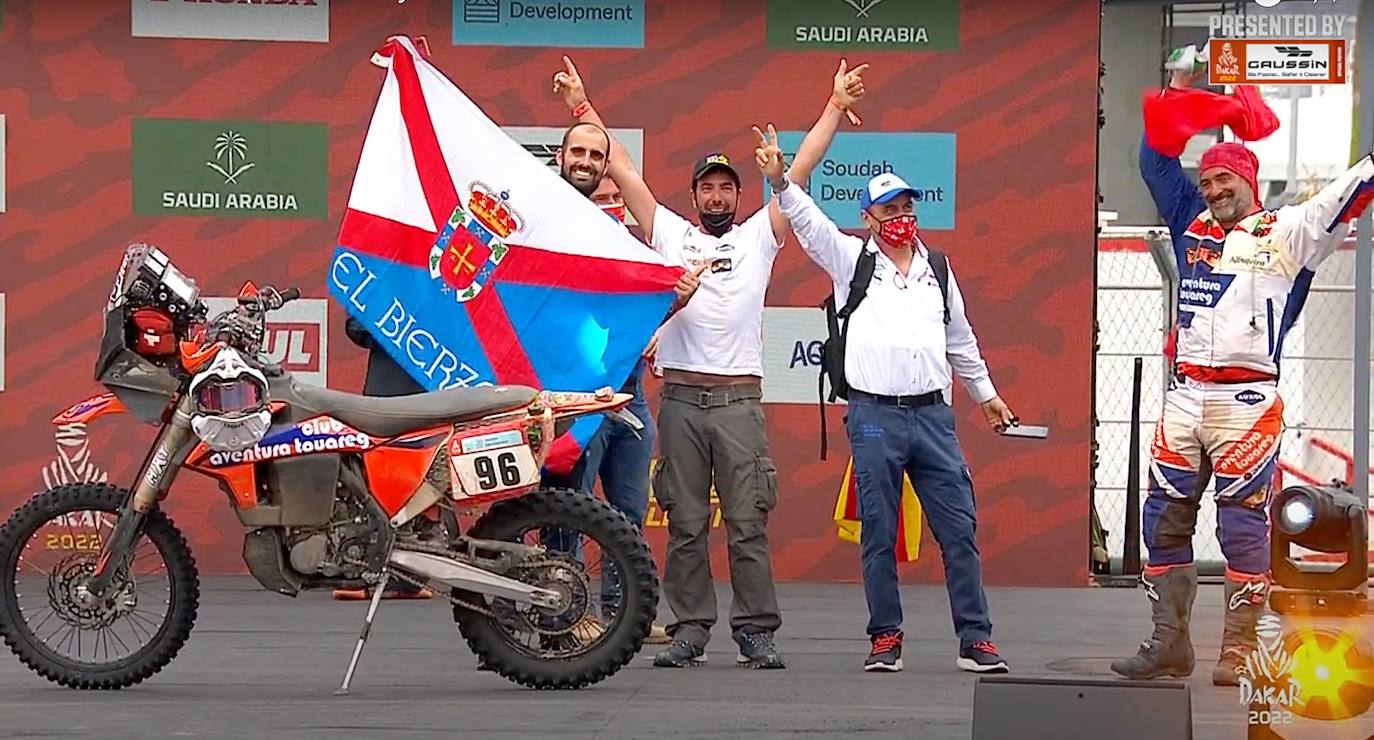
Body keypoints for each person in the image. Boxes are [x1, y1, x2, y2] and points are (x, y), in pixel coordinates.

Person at [552, 54, 870, 669]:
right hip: (680, 402)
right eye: (707, 187)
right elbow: (617, 163)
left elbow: (797, 173)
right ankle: (691, 628)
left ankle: (756, 631)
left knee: (748, 522)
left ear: (738, 195)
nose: (717, 194)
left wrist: (832, 104)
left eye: (727, 186)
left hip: (738, 403)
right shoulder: (670, 232)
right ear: (695, 195)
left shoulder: (761, 234)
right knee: (687, 524)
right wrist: (580, 107)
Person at [1112, 67, 1374, 685]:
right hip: (1184, 396)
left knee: (1242, 525)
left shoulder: (1292, 230)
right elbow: (1155, 153)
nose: (1211, 189)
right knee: (1163, 520)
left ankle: (1239, 650)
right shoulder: (1188, 220)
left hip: (1247, 400)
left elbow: (1359, 180)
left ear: (1249, 180)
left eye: (1223, 178)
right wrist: (1215, 105)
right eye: (1205, 181)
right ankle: (1169, 643)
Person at [753, 126, 1016, 674]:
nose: (900, 216)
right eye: (888, 209)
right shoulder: (853, 261)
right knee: (878, 529)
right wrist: (779, 180)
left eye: (906, 205)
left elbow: (961, 340)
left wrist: (987, 396)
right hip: (873, 416)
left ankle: (975, 639)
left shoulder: (938, 269)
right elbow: (808, 221)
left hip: (933, 417)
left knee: (959, 530)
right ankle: (885, 638)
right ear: (869, 219)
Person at [331, 318, 434, 601]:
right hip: (385, 402)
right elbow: (355, 327)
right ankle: (374, 568)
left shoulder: (447, 287)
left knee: (426, 487)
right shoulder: (387, 281)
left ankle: (409, 576)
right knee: (379, 487)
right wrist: (389, 327)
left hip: (435, 399)